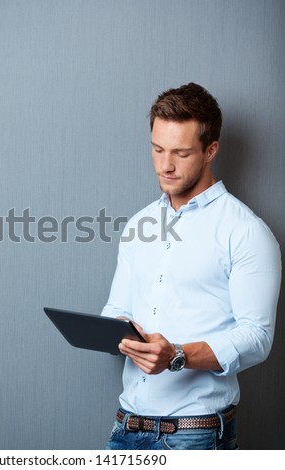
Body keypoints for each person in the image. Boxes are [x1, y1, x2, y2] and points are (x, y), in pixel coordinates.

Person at [102, 83, 282, 450]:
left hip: (194, 433)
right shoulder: (139, 225)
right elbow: (117, 310)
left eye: (181, 153)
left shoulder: (246, 232)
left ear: (210, 150)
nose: (165, 165)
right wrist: (117, 332)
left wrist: (176, 356)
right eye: (157, 149)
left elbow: (257, 338)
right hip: (126, 425)